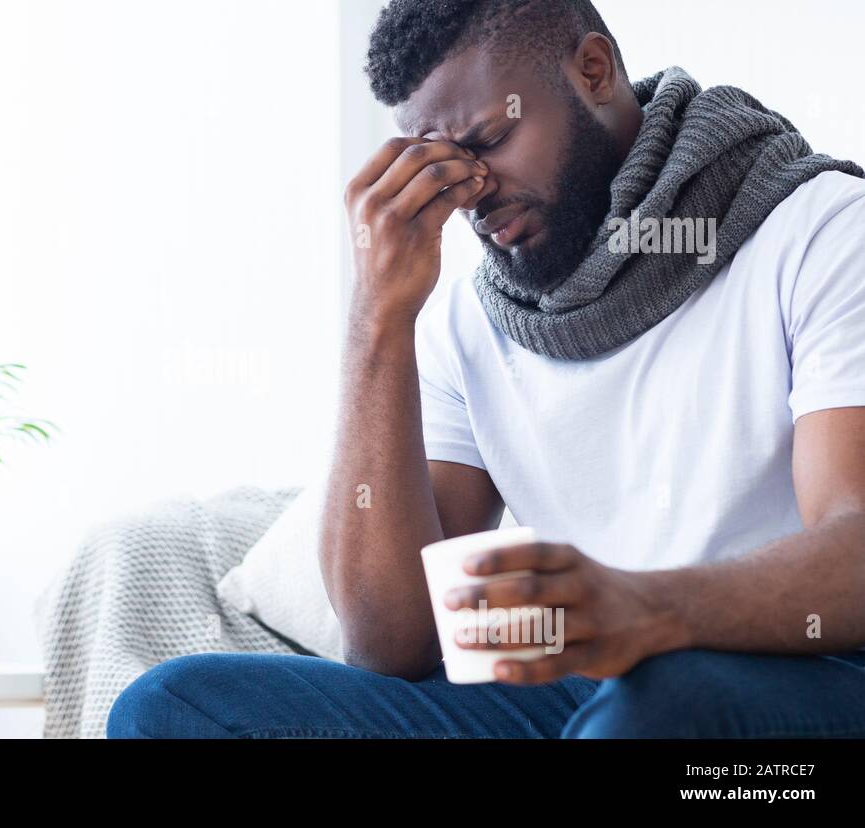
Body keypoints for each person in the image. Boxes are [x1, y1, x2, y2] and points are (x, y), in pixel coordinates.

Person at [107, 0, 865, 738]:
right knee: (175, 706)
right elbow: (390, 645)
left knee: (660, 705)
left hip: (797, 676)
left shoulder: (819, 231)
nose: (471, 192)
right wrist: (378, 317)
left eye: (491, 137)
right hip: (575, 696)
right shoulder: (467, 319)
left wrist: (641, 608)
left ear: (593, 70)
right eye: (441, 165)